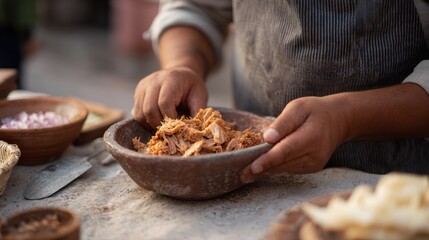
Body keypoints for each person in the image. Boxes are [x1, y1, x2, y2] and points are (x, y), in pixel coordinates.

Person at [132, 1, 429, 183]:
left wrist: (346, 118)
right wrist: (183, 65)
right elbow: (195, 7)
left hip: (398, 182)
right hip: (254, 174)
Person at [0, 0, 37, 89]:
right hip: (7, 32)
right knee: (10, 81)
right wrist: (27, 36)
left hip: (7, 29)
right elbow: (24, 6)